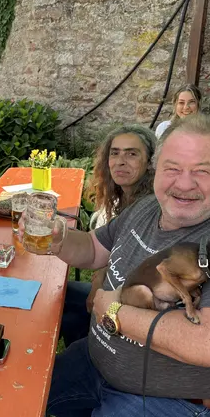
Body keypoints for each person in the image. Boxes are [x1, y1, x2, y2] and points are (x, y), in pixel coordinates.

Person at [22, 114, 210, 417]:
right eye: (172, 168)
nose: (184, 183)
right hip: (94, 363)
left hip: (170, 402)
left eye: (201, 170)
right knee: (12, 395)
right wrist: (59, 239)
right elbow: (93, 249)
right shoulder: (147, 207)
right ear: (156, 168)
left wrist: (112, 310)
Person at [61, 124, 157, 347]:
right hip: (114, 291)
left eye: (132, 154)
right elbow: (111, 248)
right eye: (115, 153)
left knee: (63, 300)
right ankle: (83, 345)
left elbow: (134, 266)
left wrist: (100, 285)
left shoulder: (150, 206)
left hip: (132, 305)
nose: (120, 161)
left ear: (150, 162)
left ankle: (89, 347)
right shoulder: (125, 197)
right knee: (61, 297)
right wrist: (99, 278)